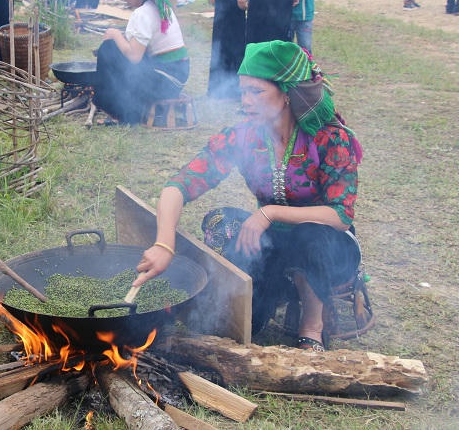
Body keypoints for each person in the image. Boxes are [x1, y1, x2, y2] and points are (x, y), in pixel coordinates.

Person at [132, 40, 363, 352]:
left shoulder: (329, 138)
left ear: (286, 93)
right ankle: (273, 290)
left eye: (256, 92)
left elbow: (340, 215)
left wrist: (269, 213)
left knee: (310, 236)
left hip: (327, 245)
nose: (246, 101)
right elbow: (179, 186)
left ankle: (312, 326)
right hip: (270, 243)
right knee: (221, 222)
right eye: (243, 92)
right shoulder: (243, 137)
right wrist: (163, 244)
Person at [92, 0, 188, 125]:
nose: (123, 0)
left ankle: (121, 111)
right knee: (117, 49)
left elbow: (134, 57)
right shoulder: (161, 5)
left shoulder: (142, 13)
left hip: (163, 82)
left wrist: (115, 34)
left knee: (108, 49)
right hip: (177, 77)